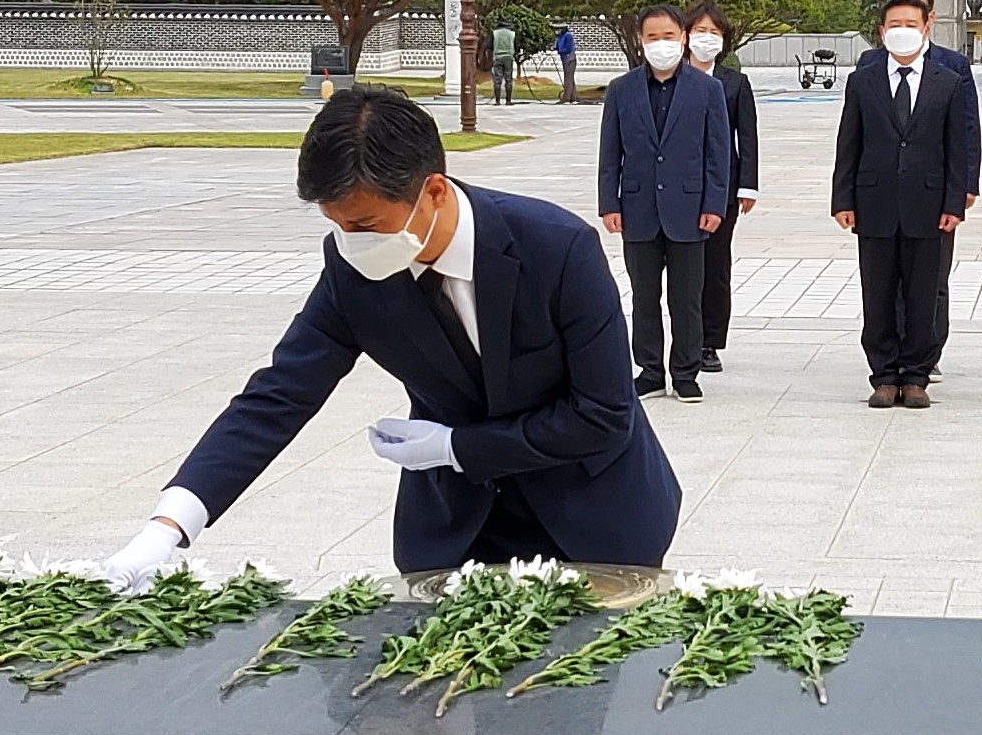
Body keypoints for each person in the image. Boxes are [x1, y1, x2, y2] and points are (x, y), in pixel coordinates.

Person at [99, 86, 680, 590]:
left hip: (594, 519)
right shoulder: (354, 266)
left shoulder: (557, 248)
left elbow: (602, 415)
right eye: (336, 226)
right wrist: (169, 525)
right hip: (455, 530)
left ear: (432, 191)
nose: (351, 242)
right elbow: (279, 394)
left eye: (365, 225)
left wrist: (454, 447)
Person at [831, 0, 972, 409]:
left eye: (911, 25)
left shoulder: (948, 83)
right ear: (881, 31)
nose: (903, 32)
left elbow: (957, 149)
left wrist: (953, 203)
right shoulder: (863, 81)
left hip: (929, 207)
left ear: (927, 27)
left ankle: (916, 375)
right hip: (874, 204)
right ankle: (884, 374)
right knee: (877, 293)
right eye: (895, 25)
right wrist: (843, 198)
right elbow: (848, 143)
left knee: (922, 294)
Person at [598, 4, 730, 400]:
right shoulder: (622, 90)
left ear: (684, 38)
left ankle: (686, 372)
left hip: (690, 210)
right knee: (643, 296)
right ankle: (650, 370)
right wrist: (610, 203)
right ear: (641, 41)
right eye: (652, 37)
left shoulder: (707, 90)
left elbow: (717, 152)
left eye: (669, 36)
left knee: (686, 297)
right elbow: (610, 152)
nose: (661, 44)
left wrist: (714, 204)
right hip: (638, 209)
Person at [883, 0, 980, 373]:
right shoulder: (871, 66)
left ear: (929, 19)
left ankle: (927, 352)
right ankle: (893, 352)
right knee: (888, 282)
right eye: (897, 20)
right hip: (886, 192)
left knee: (932, 278)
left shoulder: (952, 66)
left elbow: (966, 129)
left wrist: (965, 185)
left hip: (934, 189)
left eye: (914, 18)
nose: (904, 30)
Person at [684, 1, 759, 375]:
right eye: (700, 31)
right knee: (684, 267)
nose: (706, 39)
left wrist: (748, 186)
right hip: (679, 186)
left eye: (714, 32)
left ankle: (710, 341)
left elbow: (747, 136)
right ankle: (685, 335)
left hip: (723, 188)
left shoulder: (734, 83)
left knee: (715, 265)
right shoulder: (671, 77)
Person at [490, 17, 518, 106]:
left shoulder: (494, 34)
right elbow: (516, 46)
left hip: (497, 57)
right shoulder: (512, 34)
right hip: (508, 57)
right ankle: (508, 100)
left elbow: (488, 45)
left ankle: (497, 101)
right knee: (508, 79)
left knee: (497, 79)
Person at [555, 24, 578, 104]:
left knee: (568, 78)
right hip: (564, 58)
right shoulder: (560, 37)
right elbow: (559, 46)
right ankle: (573, 96)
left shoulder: (568, 35)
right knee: (569, 77)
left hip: (569, 58)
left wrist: (568, 56)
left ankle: (567, 97)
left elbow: (570, 48)